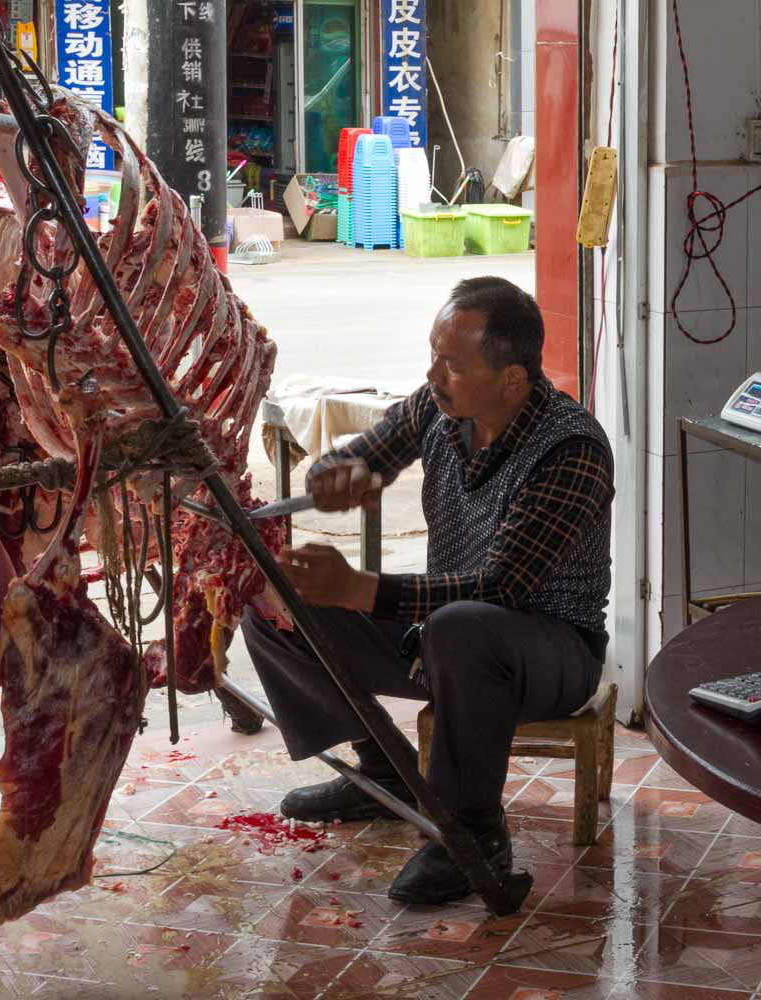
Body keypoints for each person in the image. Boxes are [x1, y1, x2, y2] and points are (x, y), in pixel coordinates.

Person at [241, 276, 615, 905]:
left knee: (462, 626)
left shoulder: (571, 449)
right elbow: (364, 456)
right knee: (277, 602)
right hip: (441, 636)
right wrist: (337, 472)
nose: (433, 375)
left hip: (550, 649)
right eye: (434, 356)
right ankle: (384, 771)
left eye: (453, 365)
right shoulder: (438, 409)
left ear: (512, 380)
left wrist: (359, 589)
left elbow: (501, 587)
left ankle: (472, 833)